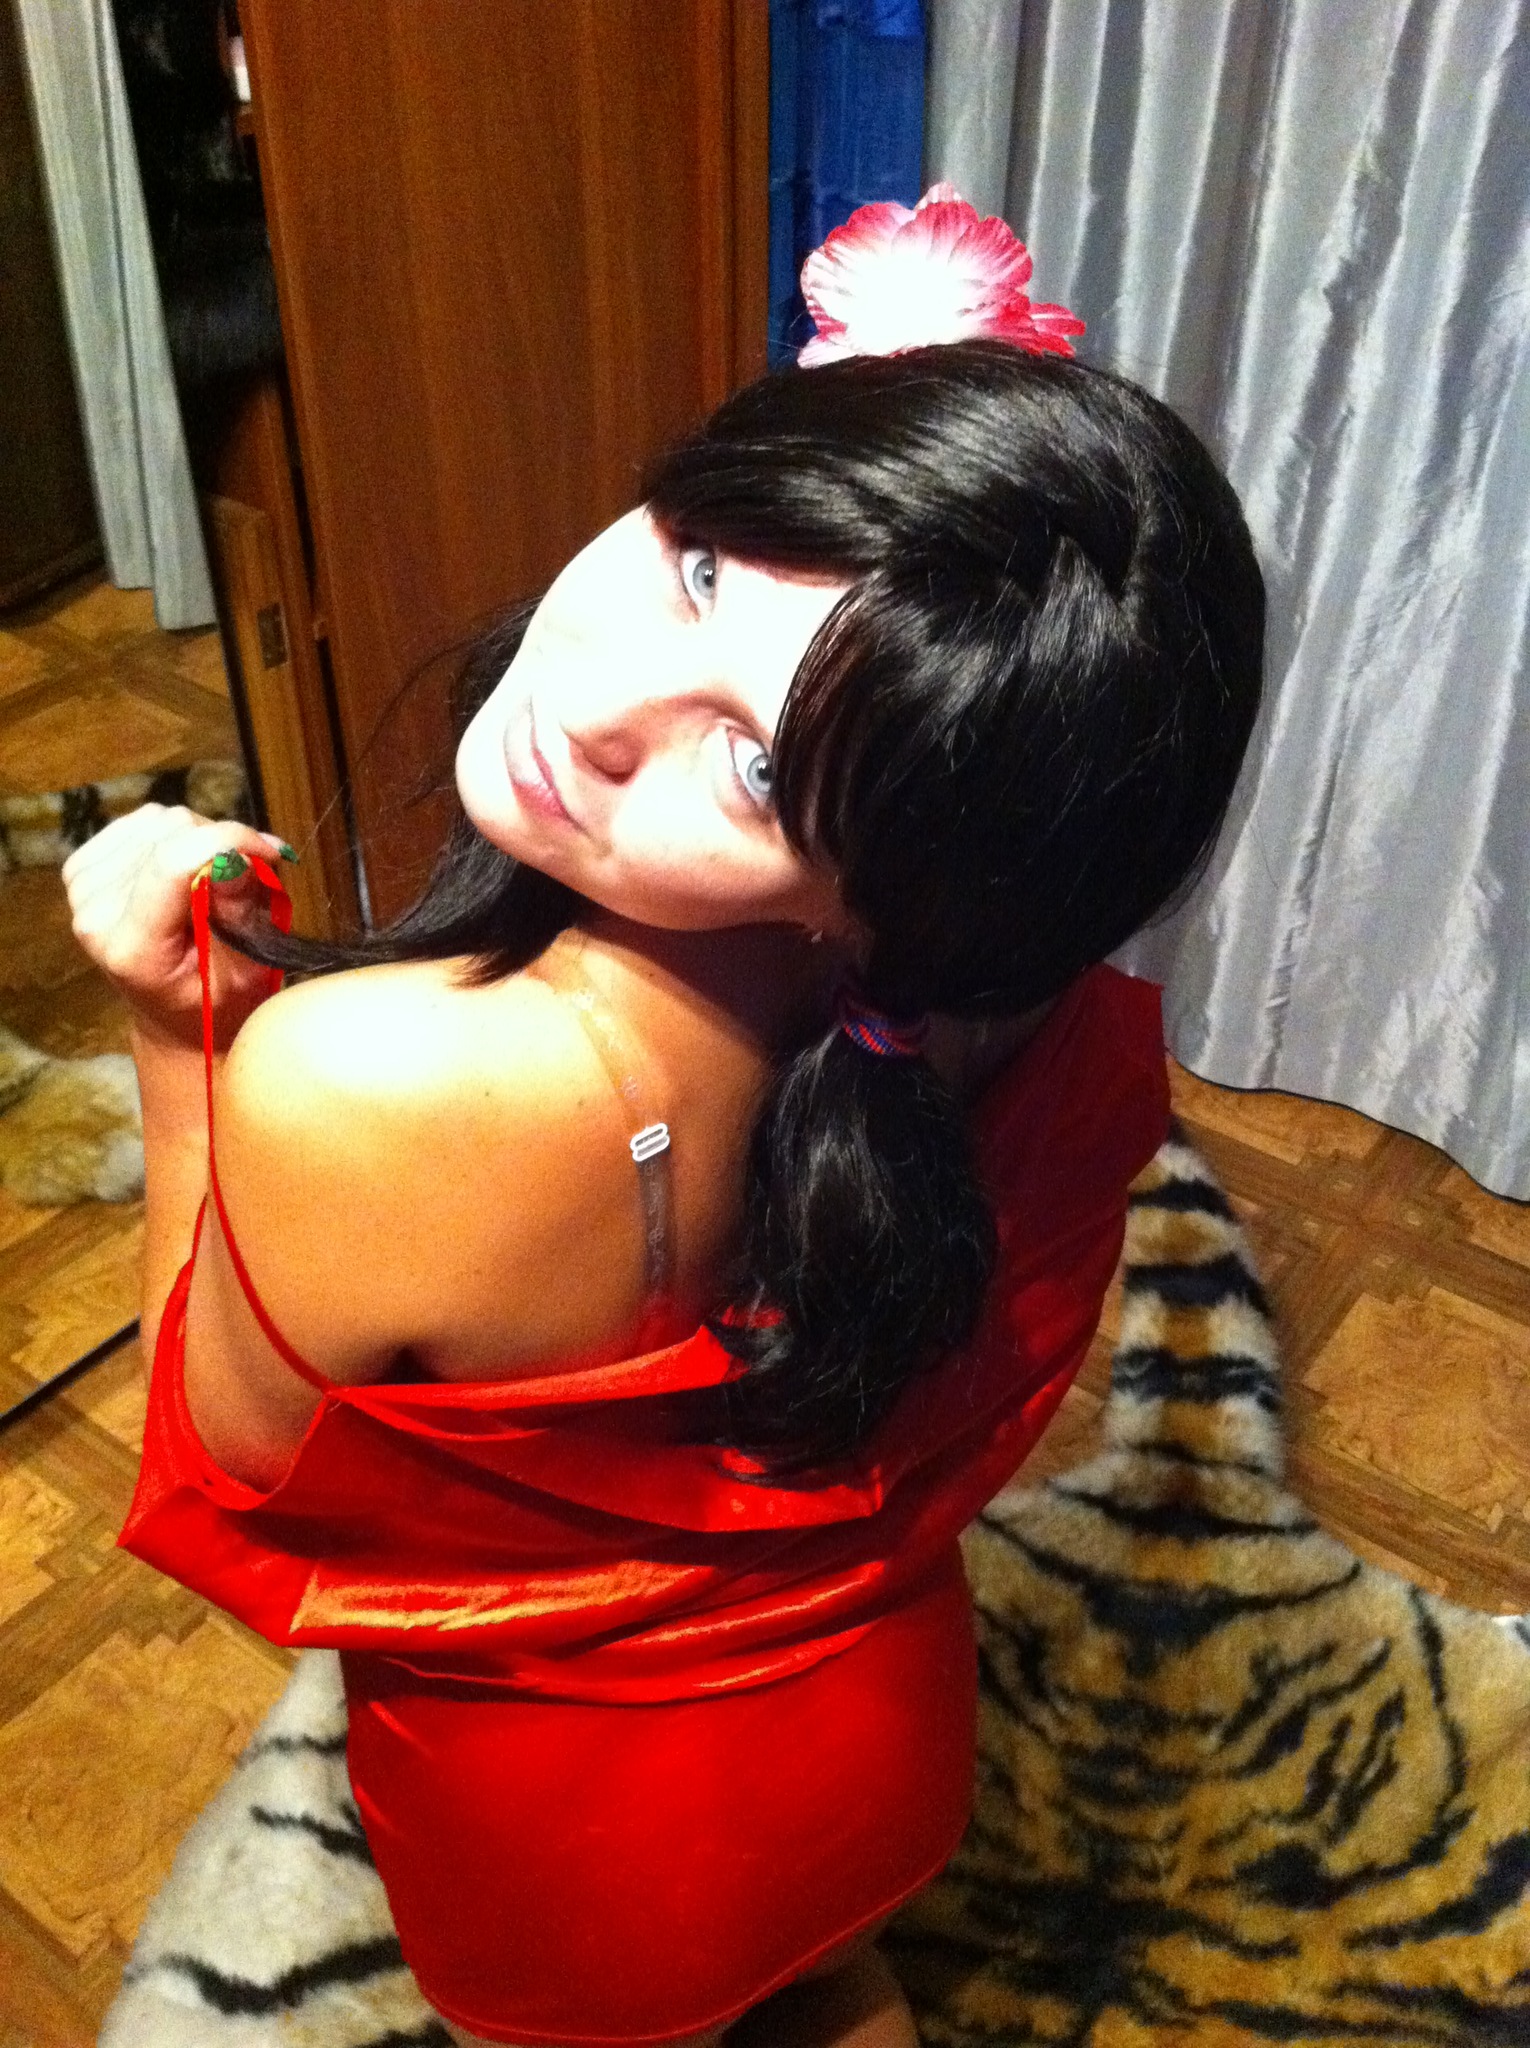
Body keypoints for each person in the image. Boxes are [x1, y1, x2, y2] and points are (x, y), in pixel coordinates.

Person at [66, 190, 1264, 2048]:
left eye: (763, 764)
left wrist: (175, 1035)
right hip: (882, 1751)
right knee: (829, 1986)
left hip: (583, 1870)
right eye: (702, 563)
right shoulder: (1036, 997)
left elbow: (224, 1481)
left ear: (886, 898)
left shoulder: (372, 1082)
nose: (599, 695)